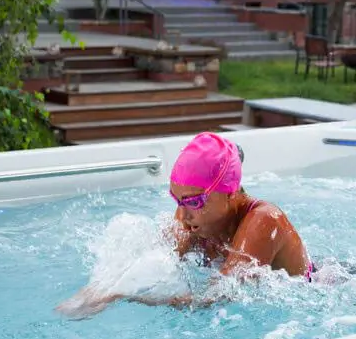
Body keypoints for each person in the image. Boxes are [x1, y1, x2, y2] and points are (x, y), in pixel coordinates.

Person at [55, 132, 314, 319]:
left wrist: (128, 297)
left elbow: (216, 297)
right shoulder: (194, 218)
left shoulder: (265, 220)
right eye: (177, 200)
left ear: (231, 193)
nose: (182, 214)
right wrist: (99, 289)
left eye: (194, 202)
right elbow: (151, 255)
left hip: (311, 294)